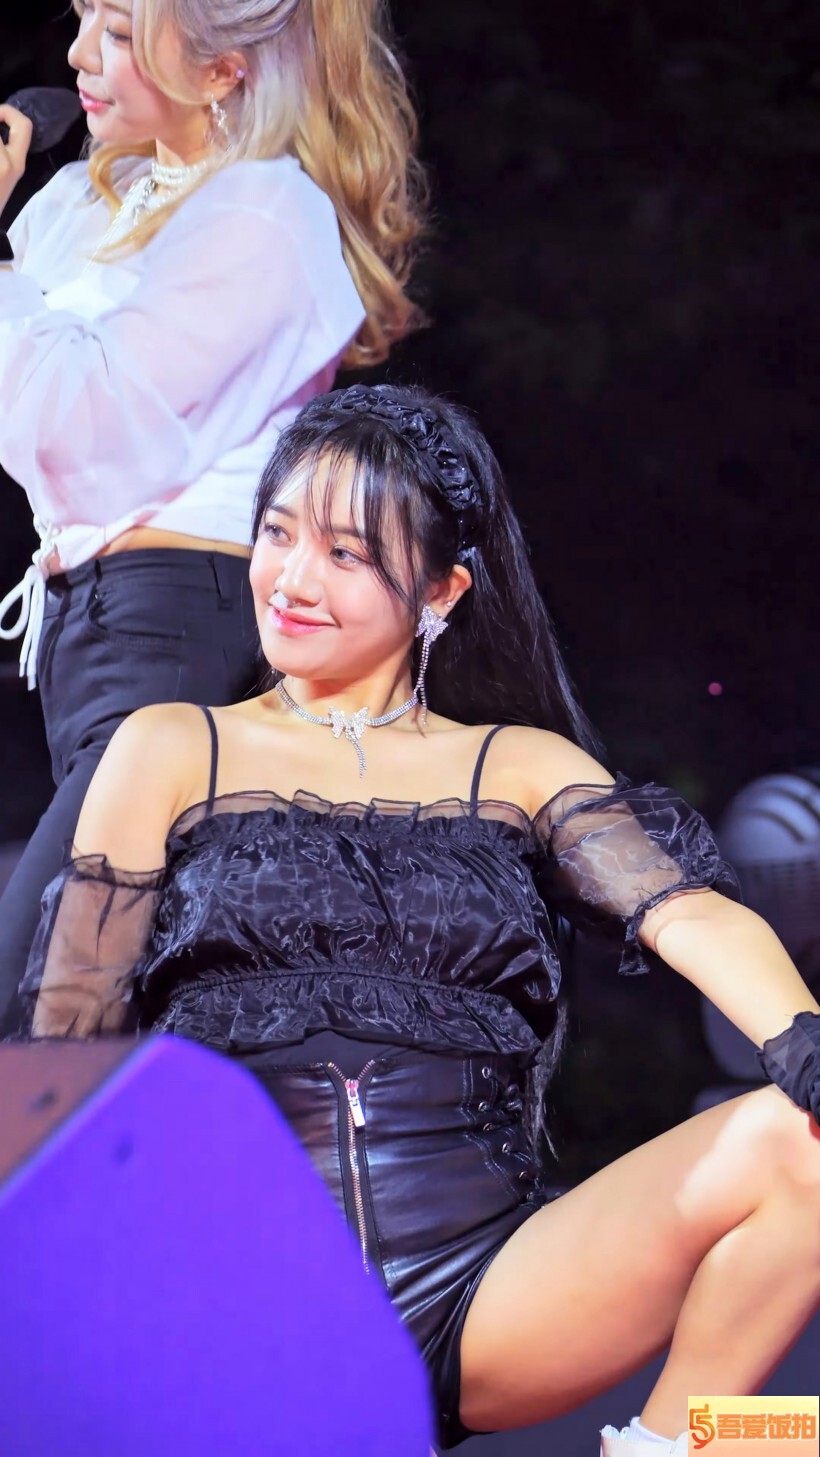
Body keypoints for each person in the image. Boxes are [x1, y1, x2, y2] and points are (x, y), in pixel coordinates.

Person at [22, 384, 820, 1456]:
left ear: (443, 589)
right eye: (277, 532)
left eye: (346, 553)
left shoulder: (520, 767)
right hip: (235, 1293)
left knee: (800, 1150)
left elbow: (692, 915)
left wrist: (807, 1045)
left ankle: (684, 1449)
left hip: (485, 1291)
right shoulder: (171, 747)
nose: (292, 579)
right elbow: (71, 1032)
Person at [0, 0, 425, 1028]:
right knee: (94, 1018)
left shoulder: (264, 214)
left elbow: (83, 433)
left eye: (117, 31)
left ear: (222, 70)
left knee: (38, 1001)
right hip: (86, 640)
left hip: (187, 630)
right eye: (81, 19)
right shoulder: (76, 203)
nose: (76, 56)